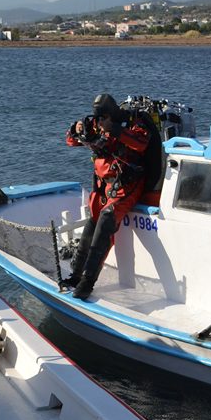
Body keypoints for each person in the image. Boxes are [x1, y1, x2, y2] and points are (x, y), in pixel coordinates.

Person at [63, 93, 153, 300]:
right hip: (104, 186)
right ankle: (76, 274)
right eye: (99, 118)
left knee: (105, 222)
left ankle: (87, 282)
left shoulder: (132, 123)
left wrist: (115, 129)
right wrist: (76, 129)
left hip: (127, 185)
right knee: (91, 225)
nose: (100, 122)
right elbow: (71, 141)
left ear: (112, 115)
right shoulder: (96, 123)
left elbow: (141, 144)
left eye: (104, 118)